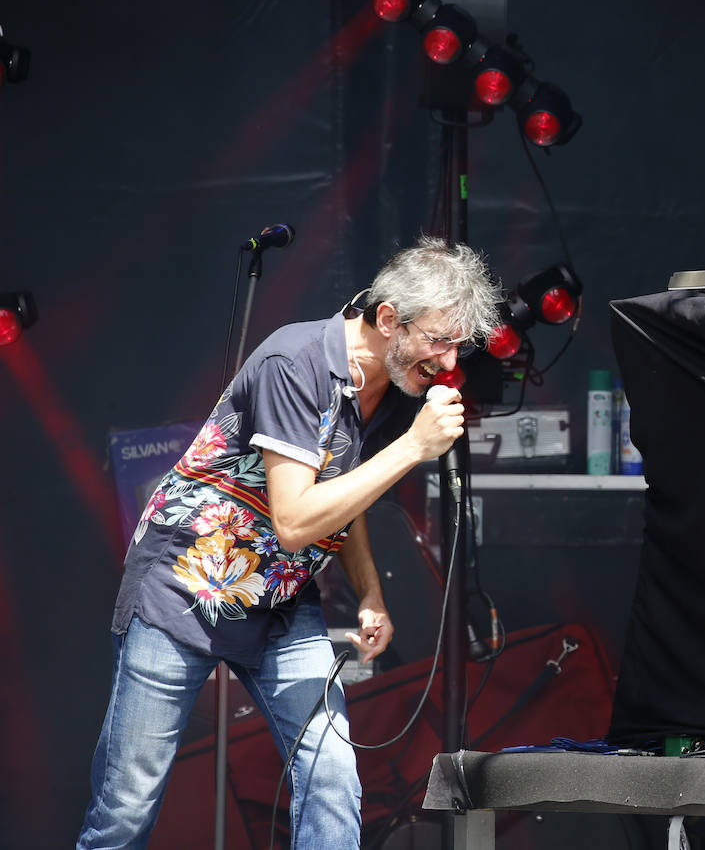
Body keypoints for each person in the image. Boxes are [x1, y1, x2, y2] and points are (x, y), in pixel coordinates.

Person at [77, 235, 501, 849]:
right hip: (186, 584)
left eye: (456, 344)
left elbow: (344, 497)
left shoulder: (383, 386)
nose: (447, 359)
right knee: (127, 804)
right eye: (438, 339)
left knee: (331, 777)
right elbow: (297, 520)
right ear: (388, 320)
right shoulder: (297, 362)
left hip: (279, 599)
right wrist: (414, 448)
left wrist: (370, 593)